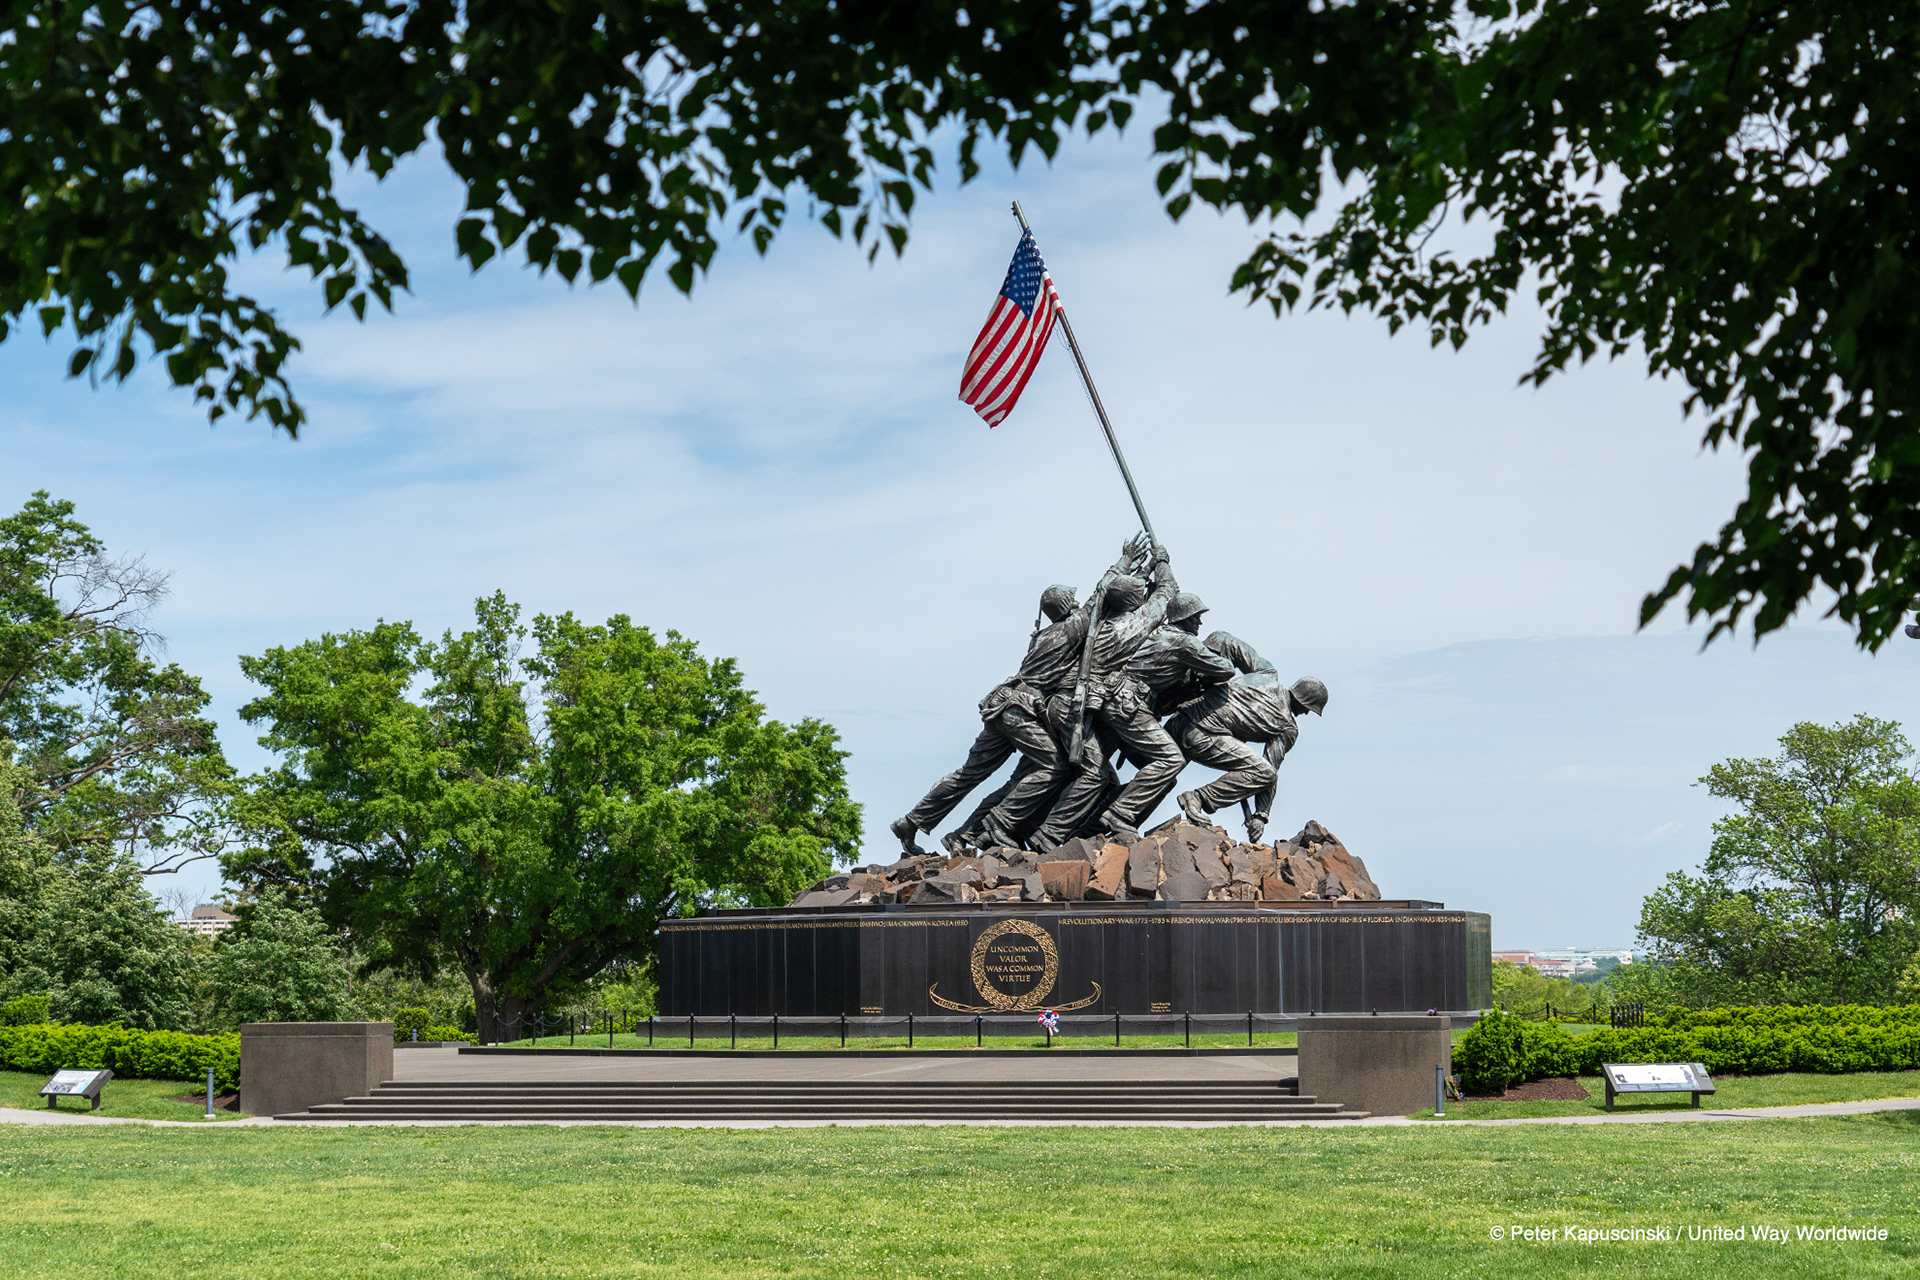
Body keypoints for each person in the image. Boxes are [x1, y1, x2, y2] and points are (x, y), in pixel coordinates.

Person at [888, 536, 1149, 854]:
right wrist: (1124, 562)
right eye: (1074, 601)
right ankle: (1000, 824)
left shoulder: (1044, 635)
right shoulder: (1070, 629)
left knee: (968, 775)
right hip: (1019, 709)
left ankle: (912, 821)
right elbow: (1101, 595)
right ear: (1067, 607)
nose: (1080, 605)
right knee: (1054, 766)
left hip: (1002, 705)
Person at [1085, 591, 1237, 842]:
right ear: (1185, 618)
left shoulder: (1158, 633)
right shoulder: (1184, 642)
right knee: (1171, 760)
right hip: (1129, 705)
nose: (1199, 623)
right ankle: (1120, 813)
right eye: (1197, 617)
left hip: (1122, 701)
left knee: (1165, 778)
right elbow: (1225, 669)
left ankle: (1094, 828)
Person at [1169, 674, 1328, 845]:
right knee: (1265, 773)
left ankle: (1134, 814)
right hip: (1200, 735)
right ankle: (1198, 798)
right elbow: (1269, 769)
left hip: (1177, 720)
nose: (1304, 713)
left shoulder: (1263, 679)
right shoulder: (1287, 726)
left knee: (1159, 777)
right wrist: (1261, 815)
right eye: (1308, 708)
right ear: (1303, 700)